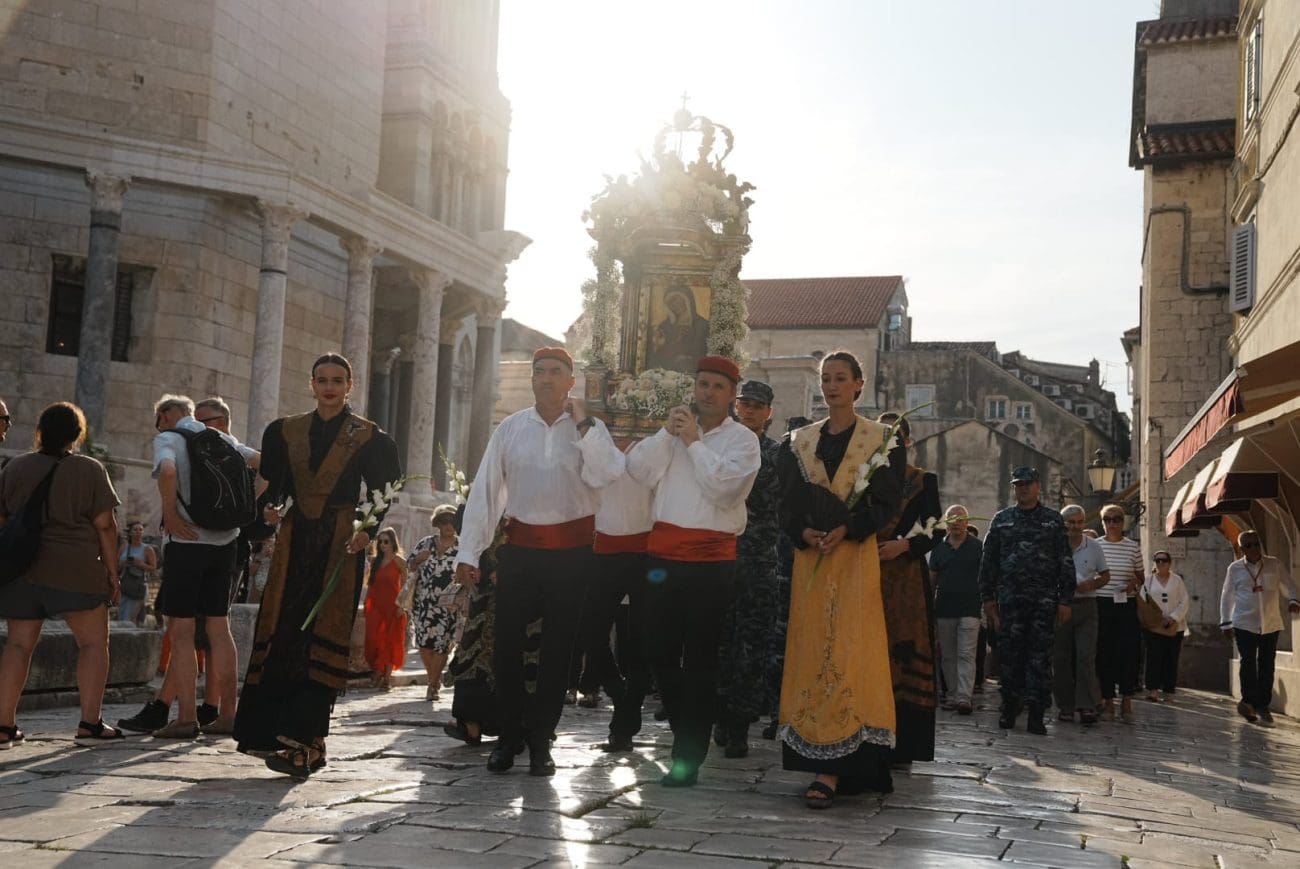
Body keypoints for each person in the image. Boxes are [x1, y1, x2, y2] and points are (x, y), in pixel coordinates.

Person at [455, 347, 621, 777]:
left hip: (572, 555)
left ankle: (541, 740)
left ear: (571, 381)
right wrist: (469, 551)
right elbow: (487, 491)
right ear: (532, 379)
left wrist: (584, 424)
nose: (546, 378)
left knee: (558, 651)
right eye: (539, 371)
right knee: (507, 646)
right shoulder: (511, 428)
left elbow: (607, 474)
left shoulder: (590, 429)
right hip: (521, 551)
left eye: (555, 372)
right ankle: (508, 737)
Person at [233, 352, 402, 777]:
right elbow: (276, 484)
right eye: (322, 380)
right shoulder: (285, 431)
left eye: (337, 380)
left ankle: (308, 740)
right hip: (294, 541)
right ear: (312, 384)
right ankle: (292, 738)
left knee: (322, 633)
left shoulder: (369, 436)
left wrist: (367, 529)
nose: (329, 387)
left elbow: (382, 491)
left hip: (340, 543)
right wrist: (272, 508)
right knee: (286, 630)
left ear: (350, 385)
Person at [776, 351, 904, 807]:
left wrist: (849, 527)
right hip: (811, 562)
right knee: (813, 651)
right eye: (826, 379)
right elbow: (786, 503)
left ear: (858, 385)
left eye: (840, 378)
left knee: (851, 652)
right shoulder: (799, 442)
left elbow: (887, 502)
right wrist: (804, 532)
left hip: (853, 561)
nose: (831, 386)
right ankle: (817, 755)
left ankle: (841, 763)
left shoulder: (881, 439)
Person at [627, 355, 760, 787]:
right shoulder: (675, 431)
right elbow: (638, 472)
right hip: (663, 558)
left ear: (732, 395)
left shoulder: (743, 440)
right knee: (657, 651)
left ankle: (687, 755)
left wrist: (694, 443)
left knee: (700, 657)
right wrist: (667, 434)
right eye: (703, 384)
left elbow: (724, 490)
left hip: (711, 562)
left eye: (718, 386)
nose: (708, 393)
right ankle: (689, 726)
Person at [0, 402, 123, 747]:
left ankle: (4, 727)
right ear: (77, 435)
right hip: (76, 570)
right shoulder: (90, 469)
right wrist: (112, 574)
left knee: (18, 645)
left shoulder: (15, 467)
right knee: (93, 643)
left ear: (39, 432)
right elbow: (105, 525)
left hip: (23, 570)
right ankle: (90, 723)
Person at [151, 394, 258, 738]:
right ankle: (229, 714)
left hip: (187, 544)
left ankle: (186, 718)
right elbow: (264, 464)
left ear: (167, 415)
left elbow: (168, 470)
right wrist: (245, 510)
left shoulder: (169, 439)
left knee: (181, 631)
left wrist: (170, 515)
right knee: (218, 628)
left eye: (158, 419)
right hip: (225, 543)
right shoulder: (222, 439)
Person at [978, 467, 1074, 735]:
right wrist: (988, 599)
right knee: (1010, 657)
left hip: (1043, 603)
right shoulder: (1002, 520)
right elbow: (988, 562)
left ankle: (1036, 713)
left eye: (1027, 484)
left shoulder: (1053, 521)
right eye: (1018, 484)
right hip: (1010, 603)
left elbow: (1065, 561)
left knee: (1040, 659)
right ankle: (1009, 707)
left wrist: (1065, 600)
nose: (1022, 489)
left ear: (1037, 487)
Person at [714, 379, 781, 759]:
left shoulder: (777, 454)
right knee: (719, 643)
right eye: (745, 404)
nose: (750, 410)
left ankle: (739, 724)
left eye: (757, 406)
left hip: (758, 560)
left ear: (769, 412)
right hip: (720, 557)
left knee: (752, 647)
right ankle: (720, 717)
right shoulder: (720, 445)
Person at [874, 411, 942, 764]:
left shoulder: (921, 480)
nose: (891, 442)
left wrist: (904, 546)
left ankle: (904, 745)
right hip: (866, 571)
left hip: (904, 578)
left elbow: (936, 529)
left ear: (908, 440)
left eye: (897, 436)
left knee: (903, 651)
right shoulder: (863, 477)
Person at [585, 453, 654, 753]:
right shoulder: (597, 441)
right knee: (589, 631)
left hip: (647, 552)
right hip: (603, 549)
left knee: (639, 640)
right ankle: (618, 691)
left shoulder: (656, 443)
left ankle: (625, 724)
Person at [1219, 530, 1298, 725]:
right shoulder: (1235, 569)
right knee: (1247, 662)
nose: (1254, 548)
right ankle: (1248, 702)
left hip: (1270, 623)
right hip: (1244, 623)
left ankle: (1263, 705)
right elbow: (1227, 595)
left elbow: (1289, 585)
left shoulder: (1274, 564)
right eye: (1249, 545)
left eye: (1256, 544)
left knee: (1266, 665)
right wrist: (1226, 622)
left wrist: (1294, 600)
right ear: (1242, 549)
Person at [1053, 505, 1110, 724]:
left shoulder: (1094, 547)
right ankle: (1065, 705)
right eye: (1071, 522)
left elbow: (1106, 575)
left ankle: (1086, 705)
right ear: (1063, 524)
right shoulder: (1054, 546)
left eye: (1079, 522)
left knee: (1085, 656)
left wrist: (1092, 584)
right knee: (1061, 657)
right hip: (1061, 606)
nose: (1075, 527)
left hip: (1087, 606)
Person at [407, 505, 464, 702]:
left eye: (452, 521)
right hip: (423, 603)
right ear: (438, 524)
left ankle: (432, 686)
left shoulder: (462, 547)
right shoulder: (426, 543)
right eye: (444, 521)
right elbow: (409, 565)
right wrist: (417, 560)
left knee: (442, 645)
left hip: (449, 605)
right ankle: (434, 678)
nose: (448, 525)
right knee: (424, 644)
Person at [929, 505, 982, 716]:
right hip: (944, 608)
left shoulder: (978, 547)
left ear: (967, 522)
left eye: (960, 519)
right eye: (952, 519)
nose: (956, 523)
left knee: (966, 653)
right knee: (948, 655)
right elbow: (932, 579)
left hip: (970, 607)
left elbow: (987, 575)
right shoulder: (938, 548)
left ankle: (964, 697)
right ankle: (951, 694)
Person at [1095, 504, 1144, 723]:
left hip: (1126, 605)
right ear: (1102, 522)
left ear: (1123, 522)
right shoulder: (1095, 546)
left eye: (1116, 519)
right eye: (1108, 519)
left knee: (1128, 653)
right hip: (1101, 603)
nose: (1112, 523)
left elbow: (1141, 576)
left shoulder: (1133, 547)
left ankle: (1127, 700)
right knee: (1104, 653)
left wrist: (1133, 583)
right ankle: (1108, 701)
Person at [364, 527, 407, 691]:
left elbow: (406, 587)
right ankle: (378, 670)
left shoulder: (399, 561)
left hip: (393, 606)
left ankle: (386, 679)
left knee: (390, 641)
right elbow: (370, 584)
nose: (382, 545)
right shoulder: (375, 561)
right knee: (373, 639)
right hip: (376, 605)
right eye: (380, 541)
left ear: (393, 542)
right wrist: (367, 603)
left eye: (386, 541)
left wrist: (402, 606)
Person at [1142, 550, 1188, 702]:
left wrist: (1173, 617)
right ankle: (1153, 690)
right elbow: (1143, 603)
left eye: (1164, 560)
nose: (1161, 563)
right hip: (1154, 626)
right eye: (1158, 560)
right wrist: (1157, 619)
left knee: (1171, 659)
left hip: (1175, 627)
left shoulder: (1177, 580)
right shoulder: (1148, 581)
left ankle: (1169, 691)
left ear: (1169, 563)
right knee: (1154, 658)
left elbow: (1184, 601)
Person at [117, 521, 156, 625]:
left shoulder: (147, 549)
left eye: (140, 530)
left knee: (131, 617)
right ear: (130, 532)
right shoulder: (124, 547)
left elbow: (153, 568)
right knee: (122, 615)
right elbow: (116, 565)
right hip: (125, 585)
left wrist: (140, 564)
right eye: (135, 530)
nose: (138, 532)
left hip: (138, 586)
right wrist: (123, 563)